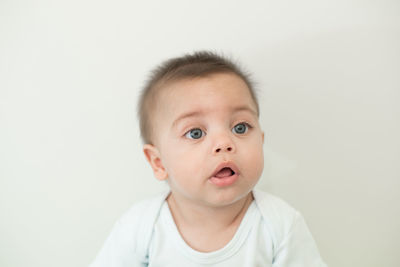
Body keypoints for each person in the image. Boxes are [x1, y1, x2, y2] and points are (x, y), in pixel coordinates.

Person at [89, 51, 327, 266]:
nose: (224, 143)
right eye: (196, 133)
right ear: (158, 163)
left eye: (241, 128)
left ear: (261, 140)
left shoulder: (279, 225)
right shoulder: (140, 228)